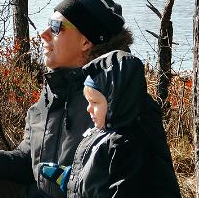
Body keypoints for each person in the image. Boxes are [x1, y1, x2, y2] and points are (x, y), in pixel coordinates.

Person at [0, 0, 180, 198]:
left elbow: (150, 184)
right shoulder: (51, 94)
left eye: (56, 27)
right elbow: (29, 162)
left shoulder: (117, 101)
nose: (44, 34)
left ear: (86, 41)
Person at [38, 50, 175, 197]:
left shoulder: (127, 145)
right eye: (88, 102)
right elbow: (99, 176)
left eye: (95, 102)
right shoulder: (107, 132)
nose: (88, 108)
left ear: (115, 102)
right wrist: (69, 177)